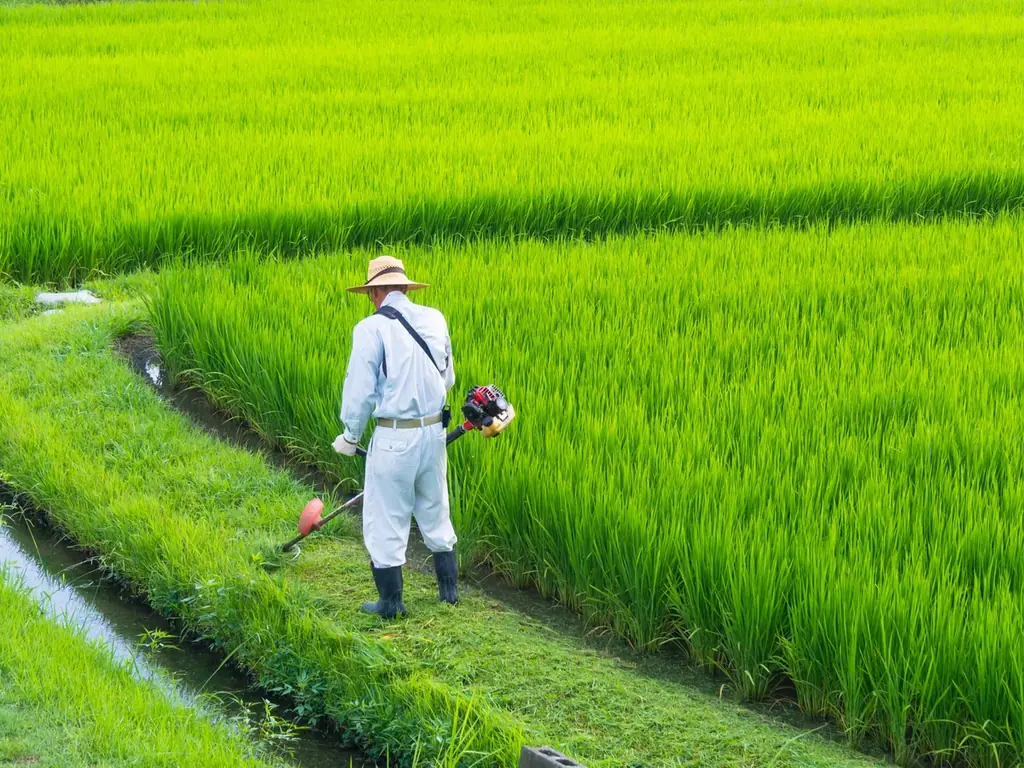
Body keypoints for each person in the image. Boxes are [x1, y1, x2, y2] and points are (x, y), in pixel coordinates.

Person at [332, 255, 458, 618]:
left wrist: (351, 435)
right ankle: (448, 596)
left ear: (375, 293)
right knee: (435, 509)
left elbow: (360, 392)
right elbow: (447, 379)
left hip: (393, 436)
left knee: (385, 516)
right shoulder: (435, 318)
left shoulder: (370, 329)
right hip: (434, 431)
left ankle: (391, 604)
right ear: (405, 287)